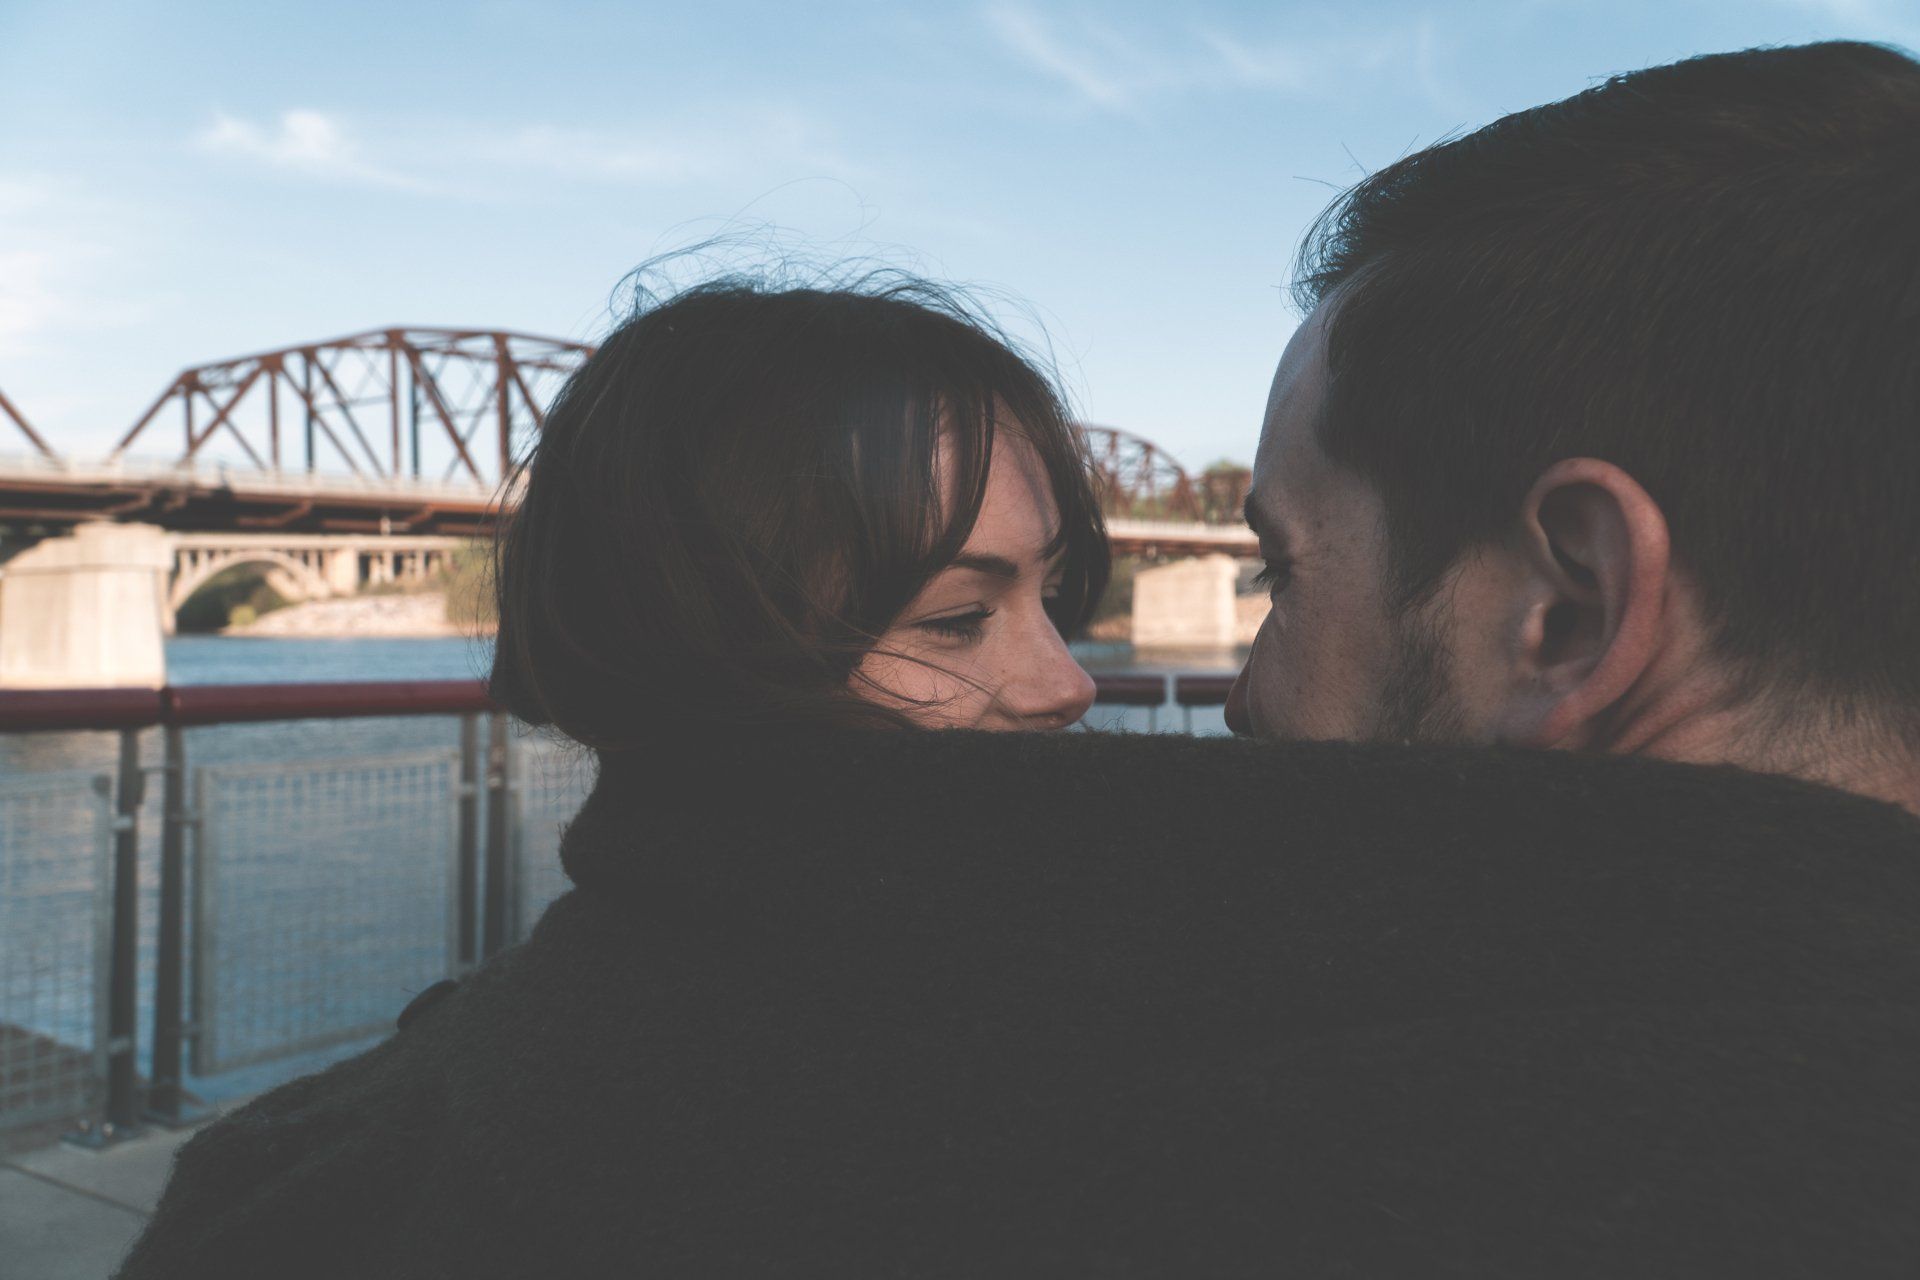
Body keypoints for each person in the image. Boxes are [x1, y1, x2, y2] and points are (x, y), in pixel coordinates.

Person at [119, 45, 1919, 1280]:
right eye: (954, 611)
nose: (1085, 685)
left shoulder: (379, 1176)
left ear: (1572, 613)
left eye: (1280, 574)